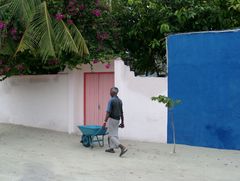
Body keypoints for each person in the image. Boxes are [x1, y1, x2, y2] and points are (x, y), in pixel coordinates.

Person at [103, 87, 128, 157]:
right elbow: (122, 112)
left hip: (112, 119)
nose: (109, 93)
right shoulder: (120, 101)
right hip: (118, 119)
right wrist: (122, 122)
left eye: (110, 91)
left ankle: (122, 147)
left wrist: (104, 122)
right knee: (115, 134)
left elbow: (108, 112)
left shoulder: (111, 100)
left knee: (111, 135)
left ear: (113, 92)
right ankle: (111, 148)